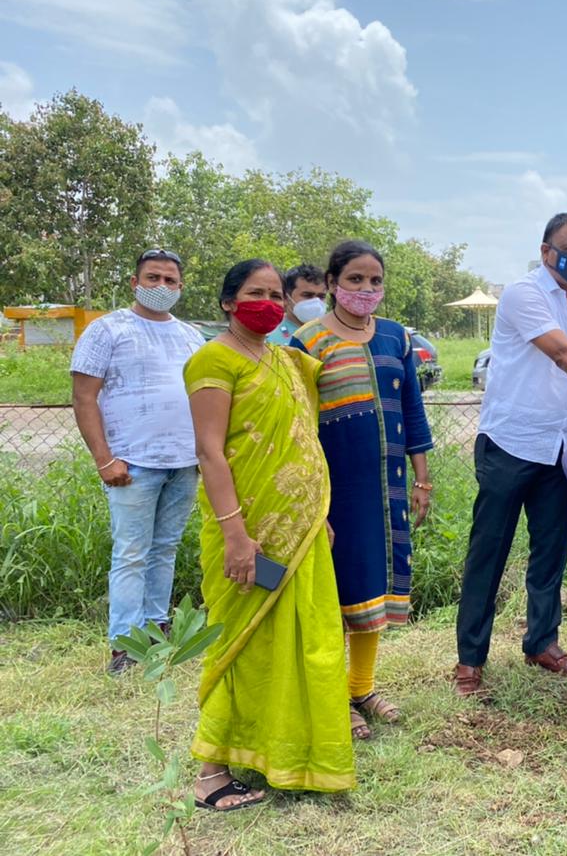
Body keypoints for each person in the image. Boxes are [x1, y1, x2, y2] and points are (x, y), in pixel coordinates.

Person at [186, 259, 354, 811]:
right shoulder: (213, 360)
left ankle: (292, 752)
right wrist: (236, 535)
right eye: (255, 293)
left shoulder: (287, 360)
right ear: (228, 303)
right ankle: (211, 771)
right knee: (241, 640)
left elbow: (300, 439)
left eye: (276, 294)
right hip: (247, 530)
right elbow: (211, 452)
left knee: (311, 642)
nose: (269, 302)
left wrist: (315, 512)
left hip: (301, 528)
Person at [453, 213, 567, 696]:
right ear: (545, 250)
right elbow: (563, 355)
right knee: (488, 552)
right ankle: (470, 659)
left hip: (561, 446)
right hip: (511, 442)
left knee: (550, 552)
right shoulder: (524, 293)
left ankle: (542, 642)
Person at [291, 241, 434, 740]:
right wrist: (312, 502)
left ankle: (362, 688)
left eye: (375, 281)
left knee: (374, 584)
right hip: (335, 490)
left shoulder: (396, 338)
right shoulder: (305, 343)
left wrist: (422, 478)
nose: (366, 290)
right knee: (334, 591)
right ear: (332, 284)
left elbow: (413, 410)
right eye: (355, 280)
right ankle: (333, 697)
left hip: (388, 486)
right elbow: (298, 427)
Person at [70, 248, 205, 675]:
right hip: (131, 464)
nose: (161, 287)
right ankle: (124, 644)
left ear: (180, 287)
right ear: (134, 282)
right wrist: (104, 459)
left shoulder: (191, 336)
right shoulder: (106, 330)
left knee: (164, 549)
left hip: (184, 462)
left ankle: (155, 629)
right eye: (152, 278)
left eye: (169, 280)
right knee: (131, 552)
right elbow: (84, 396)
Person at [267, 264, 327, 346]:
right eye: (307, 295)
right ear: (286, 298)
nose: (316, 302)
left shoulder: (333, 333)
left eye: (321, 296)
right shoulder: (268, 333)